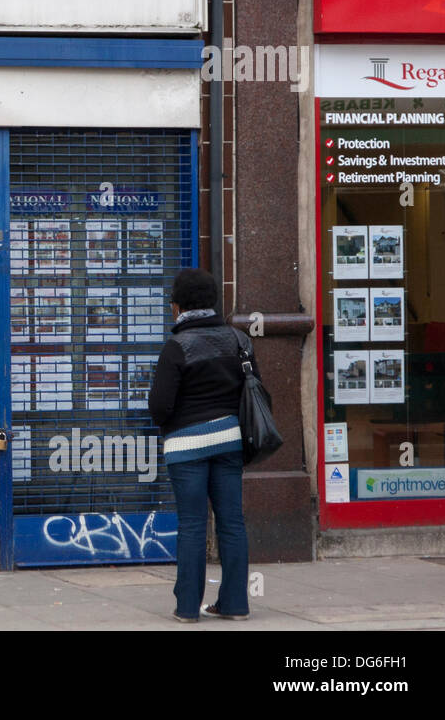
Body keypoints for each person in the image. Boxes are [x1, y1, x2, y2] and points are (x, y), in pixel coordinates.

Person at [149, 267, 254, 623]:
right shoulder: (239, 340)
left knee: (192, 525)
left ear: (178, 307)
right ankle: (236, 604)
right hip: (229, 440)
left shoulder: (176, 347)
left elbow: (160, 406)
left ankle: (188, 608)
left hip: (186, 446)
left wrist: (176, 423)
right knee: (232, 522)